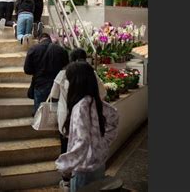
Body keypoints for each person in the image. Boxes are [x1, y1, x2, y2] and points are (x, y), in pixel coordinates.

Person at [55, 62, 119, 192]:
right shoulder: (94, 100)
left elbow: (82, 140)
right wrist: (102, 144)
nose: (67, 83)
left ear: (76, 81)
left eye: (68, 79)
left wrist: (65, 165)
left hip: (83, 168)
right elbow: (114, 117)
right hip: (98, 163)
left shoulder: (80, 106)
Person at [49, 48, 107, 191]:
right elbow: (103, 93)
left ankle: (67, 180)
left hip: (66, 116)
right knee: (84, 144)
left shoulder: (63, 73)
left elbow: (53, 95)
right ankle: (77, 176)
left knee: (67, 143)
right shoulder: (90, 73)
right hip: (87, 117)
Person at [24, 33, 69, 113]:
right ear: (50, 39)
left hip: (40, 84)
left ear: (39, 40)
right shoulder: (60, 50)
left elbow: (27, 70)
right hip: (57, 85)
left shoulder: (33, 49)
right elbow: (66, 66)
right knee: (55, 111)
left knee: (40, 113)